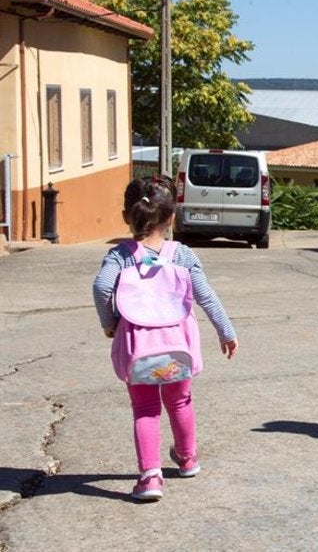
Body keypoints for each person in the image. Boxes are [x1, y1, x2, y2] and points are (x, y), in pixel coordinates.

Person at [92, 176, 238, 501]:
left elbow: (102, 287)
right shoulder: (182, 255)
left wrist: (111, 322)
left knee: (145, 409)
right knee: (180, 400)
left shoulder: (120, 256)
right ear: (172, 216)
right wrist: (226, 332)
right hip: (177, 349)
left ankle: (150, 477)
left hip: (138, 350)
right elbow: (207, 296)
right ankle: (187, 459)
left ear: (125, 216)